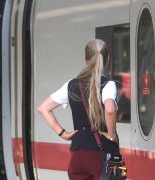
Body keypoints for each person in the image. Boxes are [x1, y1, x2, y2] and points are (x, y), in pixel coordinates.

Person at [37, 39, 118, 180]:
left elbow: (43, 108)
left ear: (86, 60)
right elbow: (110, 109)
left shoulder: (72, 84)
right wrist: (111, 136)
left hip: (78, 152)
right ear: (108, 59)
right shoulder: (108, 84)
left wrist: (63, 133)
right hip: (103, 153)